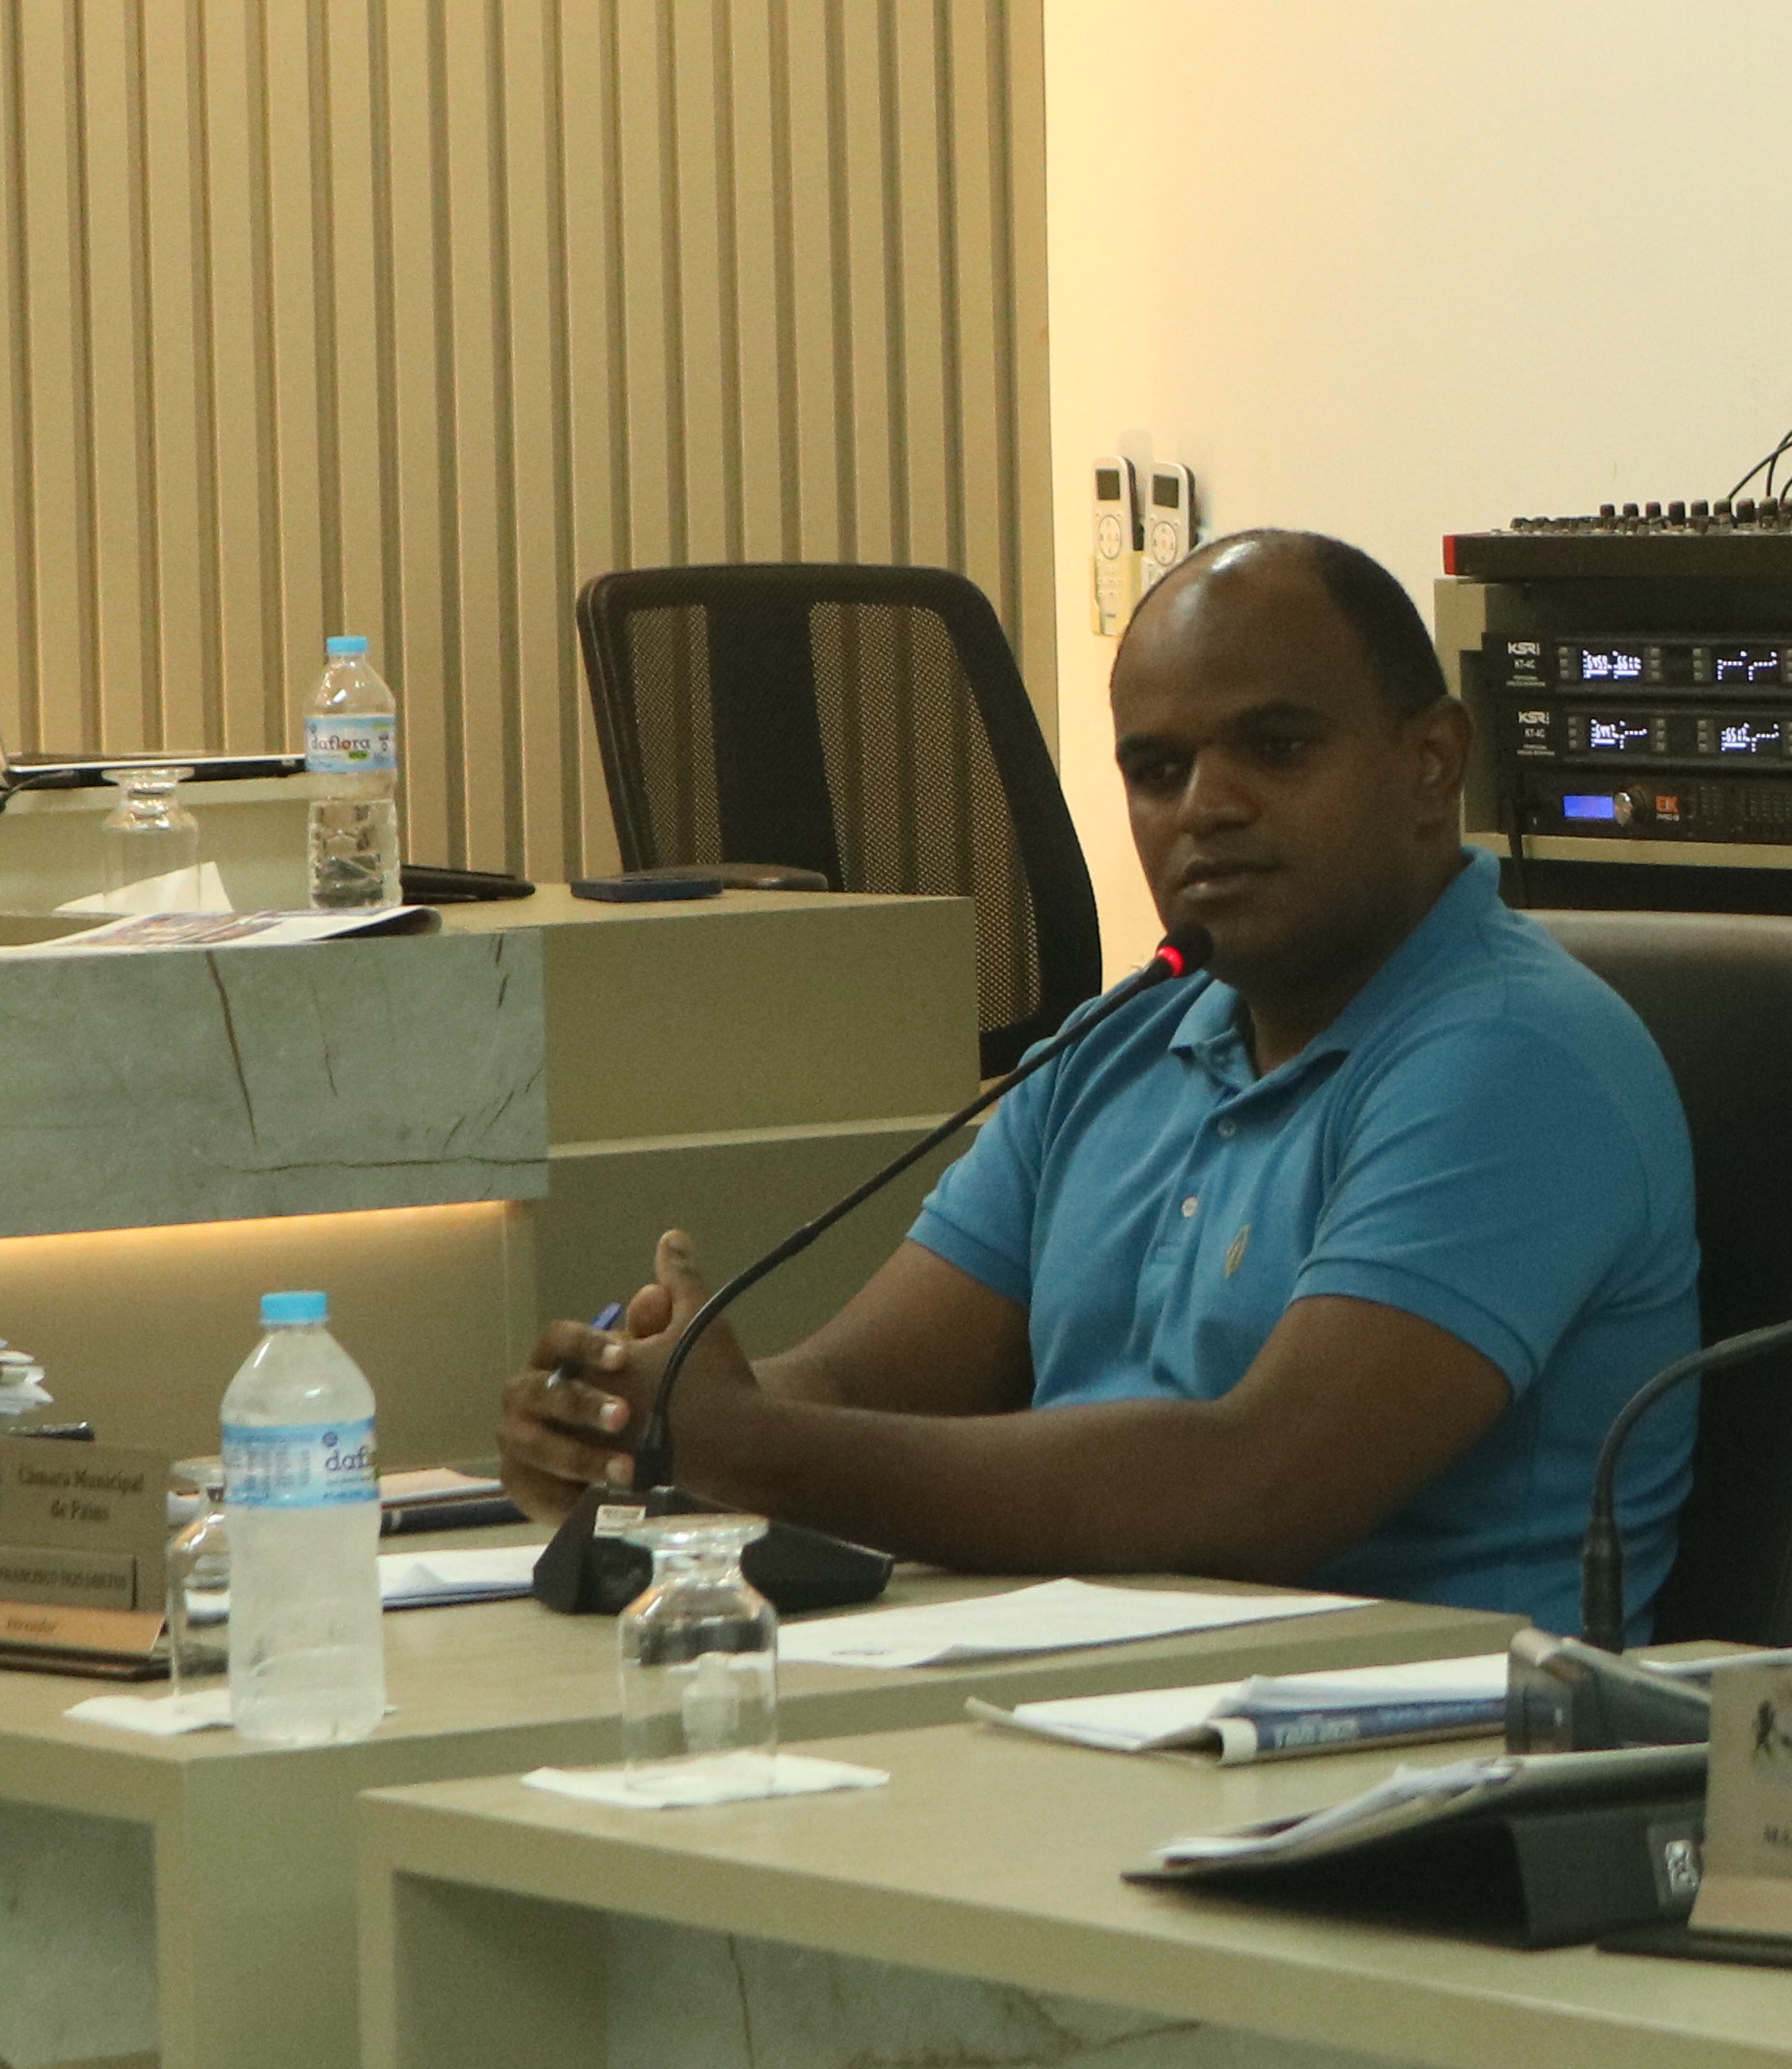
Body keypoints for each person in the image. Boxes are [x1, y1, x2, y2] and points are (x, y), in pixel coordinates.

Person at [500, 530, 1704, 1630]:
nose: (1207, 807)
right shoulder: (1123, 1039)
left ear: (1432, 762)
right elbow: (859, 1382)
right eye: (1158, 769)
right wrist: (636, 1420)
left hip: (1417, 1748)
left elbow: (1259, 1488)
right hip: (1082, 1694)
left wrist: (748, 1446)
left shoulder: (1515, 1057)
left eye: (1276, 748)